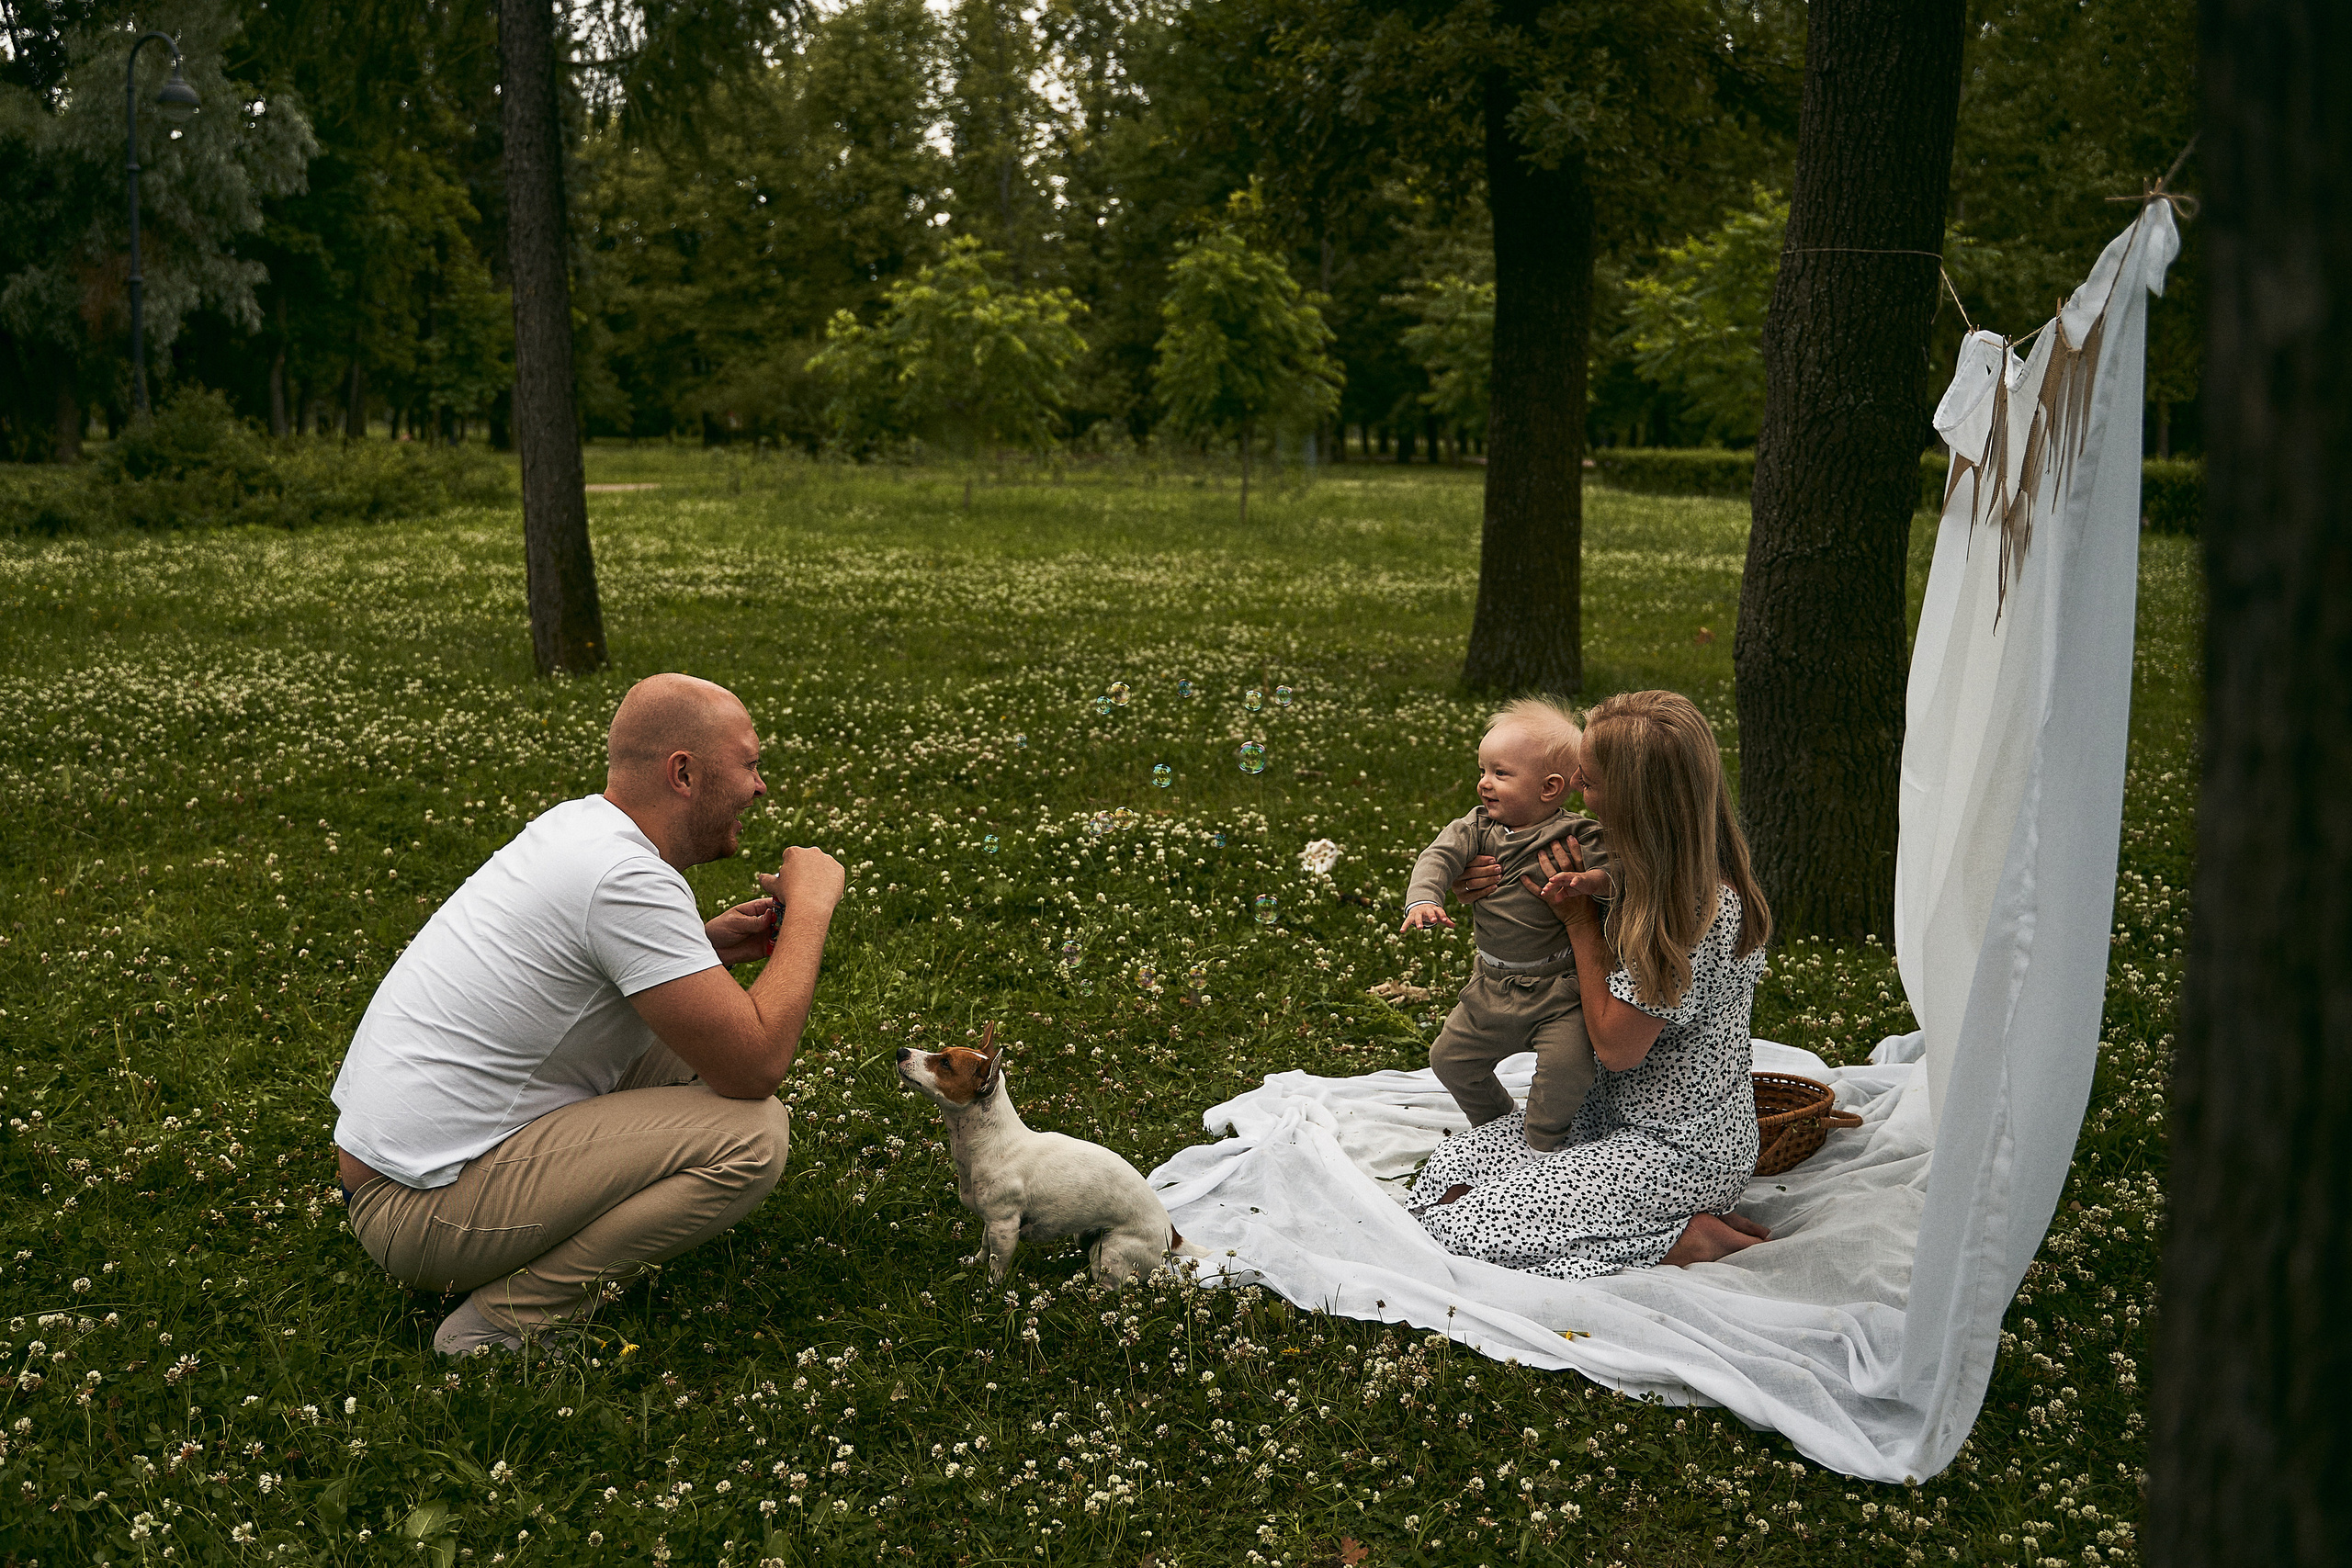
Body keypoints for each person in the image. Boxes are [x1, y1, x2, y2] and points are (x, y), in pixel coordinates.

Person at [329, 673, 845, 1354]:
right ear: (683, 773)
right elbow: (756, 1062)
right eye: (749, 762)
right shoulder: (624, 877)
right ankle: (508, 1320)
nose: (761, 785)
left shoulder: (584, 830)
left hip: (397, 1167)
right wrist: (810, 909)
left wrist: (700, 945)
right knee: (751, 1135)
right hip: (420, 1210)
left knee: (699, 1058)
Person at [1408, 689, 1773, 1275]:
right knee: (1444, 1178)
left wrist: (1579, 922)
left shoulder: (1702, 909)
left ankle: (1688, 1238)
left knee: (1461, 1227)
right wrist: (1482, 884)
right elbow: (1534, 889)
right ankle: (1645, 1221)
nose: (1576, 786)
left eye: (1592, 781)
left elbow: (1617, 1047)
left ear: (1636, 799)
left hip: (1674, 1149)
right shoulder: (1636, 869)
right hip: (1602, 1113)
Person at [1400, 698, 1612, 1152]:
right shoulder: (1475, 829)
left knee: (1568, 1068)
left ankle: (1543, 1141)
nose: (1483, 784)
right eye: (1482, 770)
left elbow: (1623, 876)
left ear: (1550, 787)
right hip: (1492, 985)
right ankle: (1497, 1126)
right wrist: (1423, 898)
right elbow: (1437, 858)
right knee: (1450, 1060)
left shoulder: (1578, 836)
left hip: (1560, 988)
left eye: (1500, 773)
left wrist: (1592, 879)